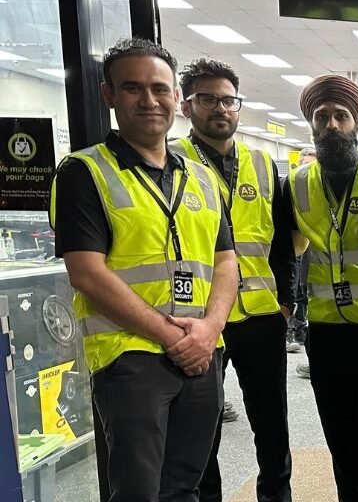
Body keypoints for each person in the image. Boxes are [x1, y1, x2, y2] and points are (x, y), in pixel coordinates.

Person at [50, 38, 235, 500]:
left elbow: (226, 262)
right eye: (133, 88)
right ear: (109, 95)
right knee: (137, 491)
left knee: (185, 486)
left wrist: (209, 329)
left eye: (160, 88)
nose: (149, 100)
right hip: (129, 357)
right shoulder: (83, 172)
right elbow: (87, 273)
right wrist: (175, 336)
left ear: (177, 98)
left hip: (202, 353)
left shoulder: (202, 177)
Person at [172, 58, 295, 502]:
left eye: (228, 99)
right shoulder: (170, 160)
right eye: (208, 99)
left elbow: (282, 242)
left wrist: (286, 303)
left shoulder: (262, 164)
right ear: (187, 106)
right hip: (202, 322)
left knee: (272, 427)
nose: (220, 108)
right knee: (203, 432)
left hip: (262, 317)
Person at [280, 75, 358, 502]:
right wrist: (286, 306)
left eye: (341, 116)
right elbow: (287, 251)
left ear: (356, 123)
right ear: (312, 125)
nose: (332, 124)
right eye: (322, 116)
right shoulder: (295, 184)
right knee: (342, 439)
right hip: (328, 333)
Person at [288, 148, 316, 356]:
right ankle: (290, 332)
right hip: (292, 249)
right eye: (304, 164)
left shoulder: (320, 190)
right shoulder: (288, 187)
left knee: (304, 293)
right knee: (293, 291)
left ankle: (300, 331)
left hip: (312, 249)